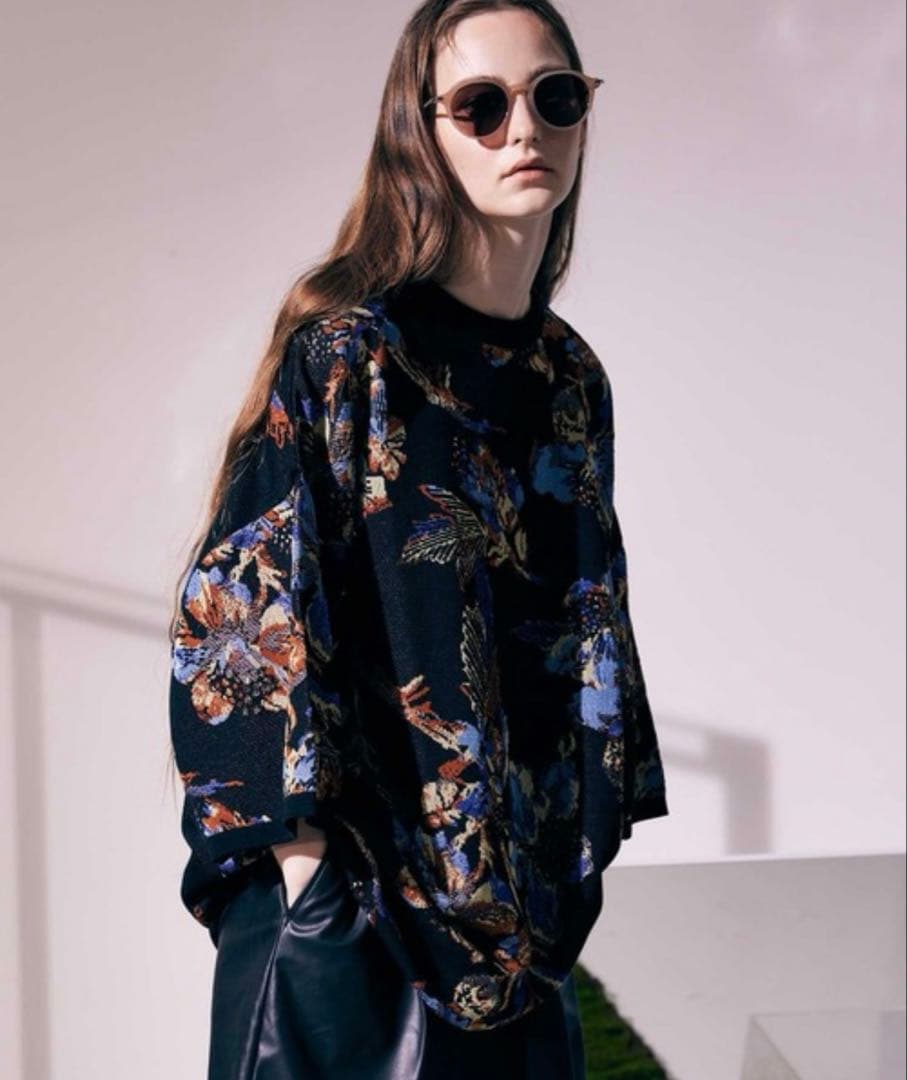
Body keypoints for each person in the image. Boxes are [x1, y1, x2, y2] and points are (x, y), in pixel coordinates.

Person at [167, 1, 670, 1076]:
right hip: (355, 922)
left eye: (556, 98)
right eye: (481, 106)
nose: (525, 129)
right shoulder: (351, 351)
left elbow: (581, 630)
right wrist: (305, 870)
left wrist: (565, 857)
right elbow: (235, 611)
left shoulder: (568, 378)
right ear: (420, 130)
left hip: (516, 934)